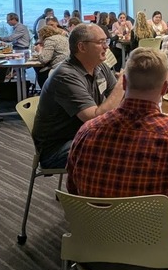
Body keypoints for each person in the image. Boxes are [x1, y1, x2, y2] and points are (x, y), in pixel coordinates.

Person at [67, 47, 168, 250]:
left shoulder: (86, 131)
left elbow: (73, 189)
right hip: (154, 248)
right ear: (164, 88)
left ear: (124, 83)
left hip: (93, 244)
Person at [31, 24, 124, 169]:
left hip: (84, 134)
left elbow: (119, 99)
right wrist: (122, 84)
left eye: (106, 41)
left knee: (130, 142)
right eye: (101, 42)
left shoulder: (100, 66)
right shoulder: (66, 75)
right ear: (82, 47)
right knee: (117, 151)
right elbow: (93, 117)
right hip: (57, 148)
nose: (106, 47)